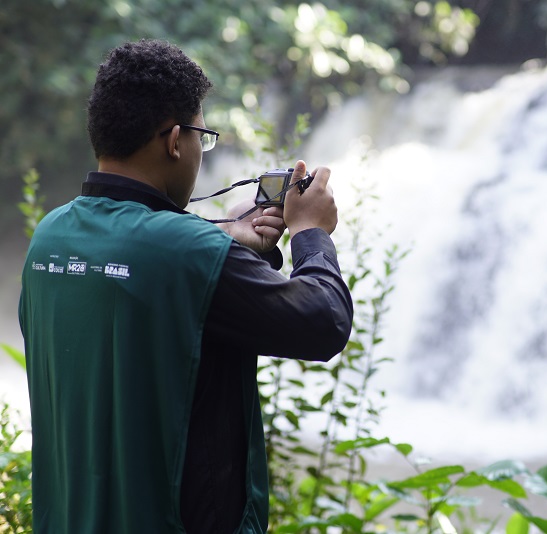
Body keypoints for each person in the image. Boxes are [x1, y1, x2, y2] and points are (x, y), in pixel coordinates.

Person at [18, 39, 353, 534]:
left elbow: (134, 249)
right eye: (202, 135)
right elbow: (323, 322)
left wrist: (221, 235)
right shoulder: (187, 253)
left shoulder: (50, 235)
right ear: (175, 140)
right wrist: (310, 233)